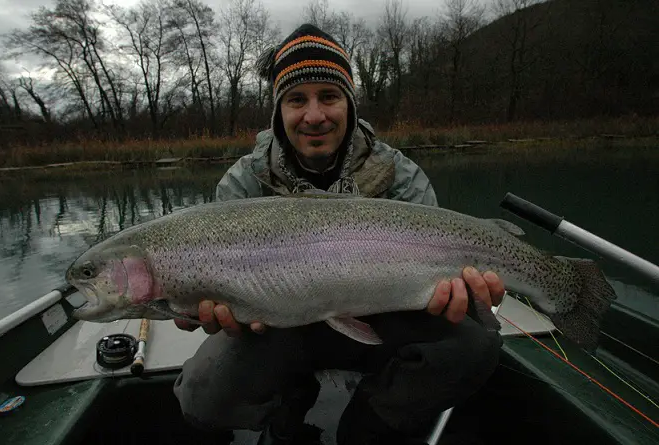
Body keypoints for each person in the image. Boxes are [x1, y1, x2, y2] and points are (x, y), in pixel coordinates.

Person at [173, 24, 505, 445]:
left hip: (385, 323)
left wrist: (455, 297)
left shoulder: (401, 178)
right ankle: (288, 411)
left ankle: (370, 425)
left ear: (349, 104)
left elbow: (435, 278)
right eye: (297, 100)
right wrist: (199, 308)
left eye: (328, 97)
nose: (314, 116)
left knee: (477, 344)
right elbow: (217, 291)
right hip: (280, 331)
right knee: (203, 398)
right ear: (279, 111)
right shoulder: (242, 185)